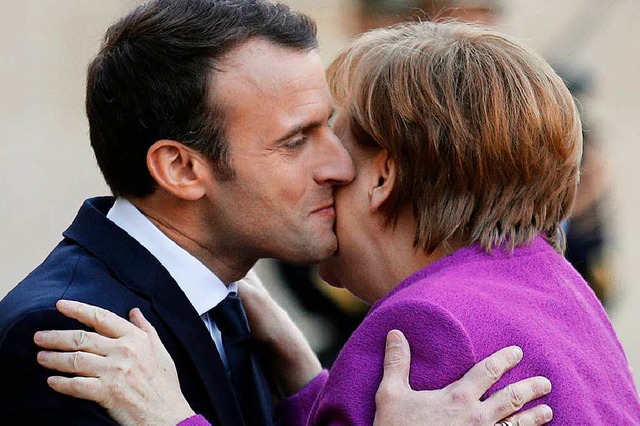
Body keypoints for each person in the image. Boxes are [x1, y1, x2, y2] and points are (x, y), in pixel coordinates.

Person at [35, 18, 640, 425]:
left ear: (383, 176)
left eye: (332, 136)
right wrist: (306, 378)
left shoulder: (428, 324)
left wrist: (170, 417)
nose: (326, 164)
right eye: (300, 139)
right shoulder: (547, 282)